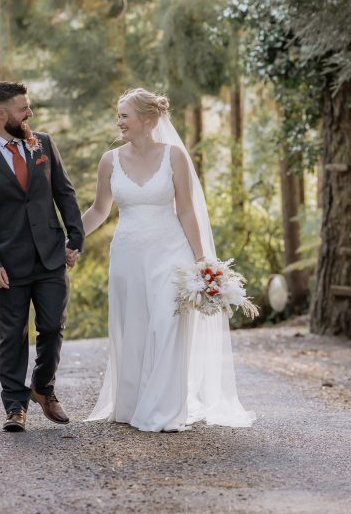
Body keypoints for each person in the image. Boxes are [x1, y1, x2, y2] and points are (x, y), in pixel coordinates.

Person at [82, 88, 256, 432]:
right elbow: (100, 210)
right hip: (128, 256)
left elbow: (187, 211)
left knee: (167, 323)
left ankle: (162, 411)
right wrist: (68, 240)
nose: (119, 122)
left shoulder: (174, 156)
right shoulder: (110, 160)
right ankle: (132, 405)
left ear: (148, 120)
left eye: (124, 116)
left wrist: (204, 261)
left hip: (170, 253)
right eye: (118, 115)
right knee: (134, 329)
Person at [0, 81, 84, 432]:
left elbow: (64, 190)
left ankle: (43, 389)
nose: (29, 113)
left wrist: (75, 235)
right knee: (13, 334)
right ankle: (15, 406)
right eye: (22, 108)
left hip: (49, 256)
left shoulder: (42, 143)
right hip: (6, 265)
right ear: (1, 115)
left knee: (52, 326)